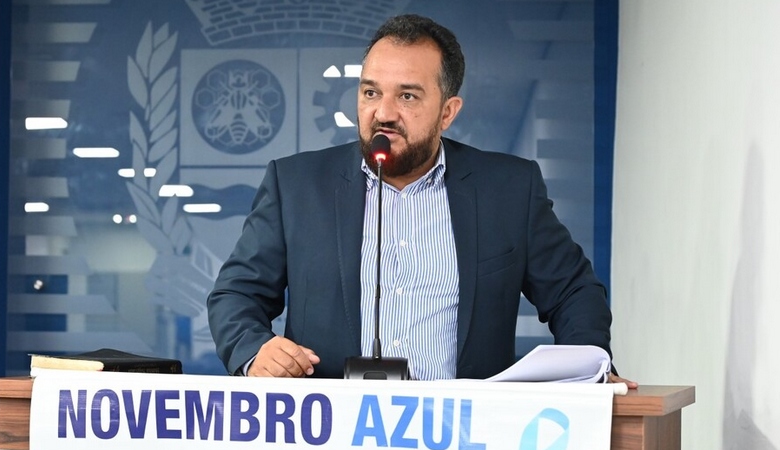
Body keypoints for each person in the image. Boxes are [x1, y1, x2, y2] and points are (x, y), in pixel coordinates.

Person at [208, 14, 633, 386]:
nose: (383, 113)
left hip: (465, 434)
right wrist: (255, 350)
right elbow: (236, 295)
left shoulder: (509, 189)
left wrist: (588, 372)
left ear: (448, 112)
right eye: (371, 93)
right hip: (331, 432)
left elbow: (573, 291)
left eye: (407, 96)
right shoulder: (295, 185)